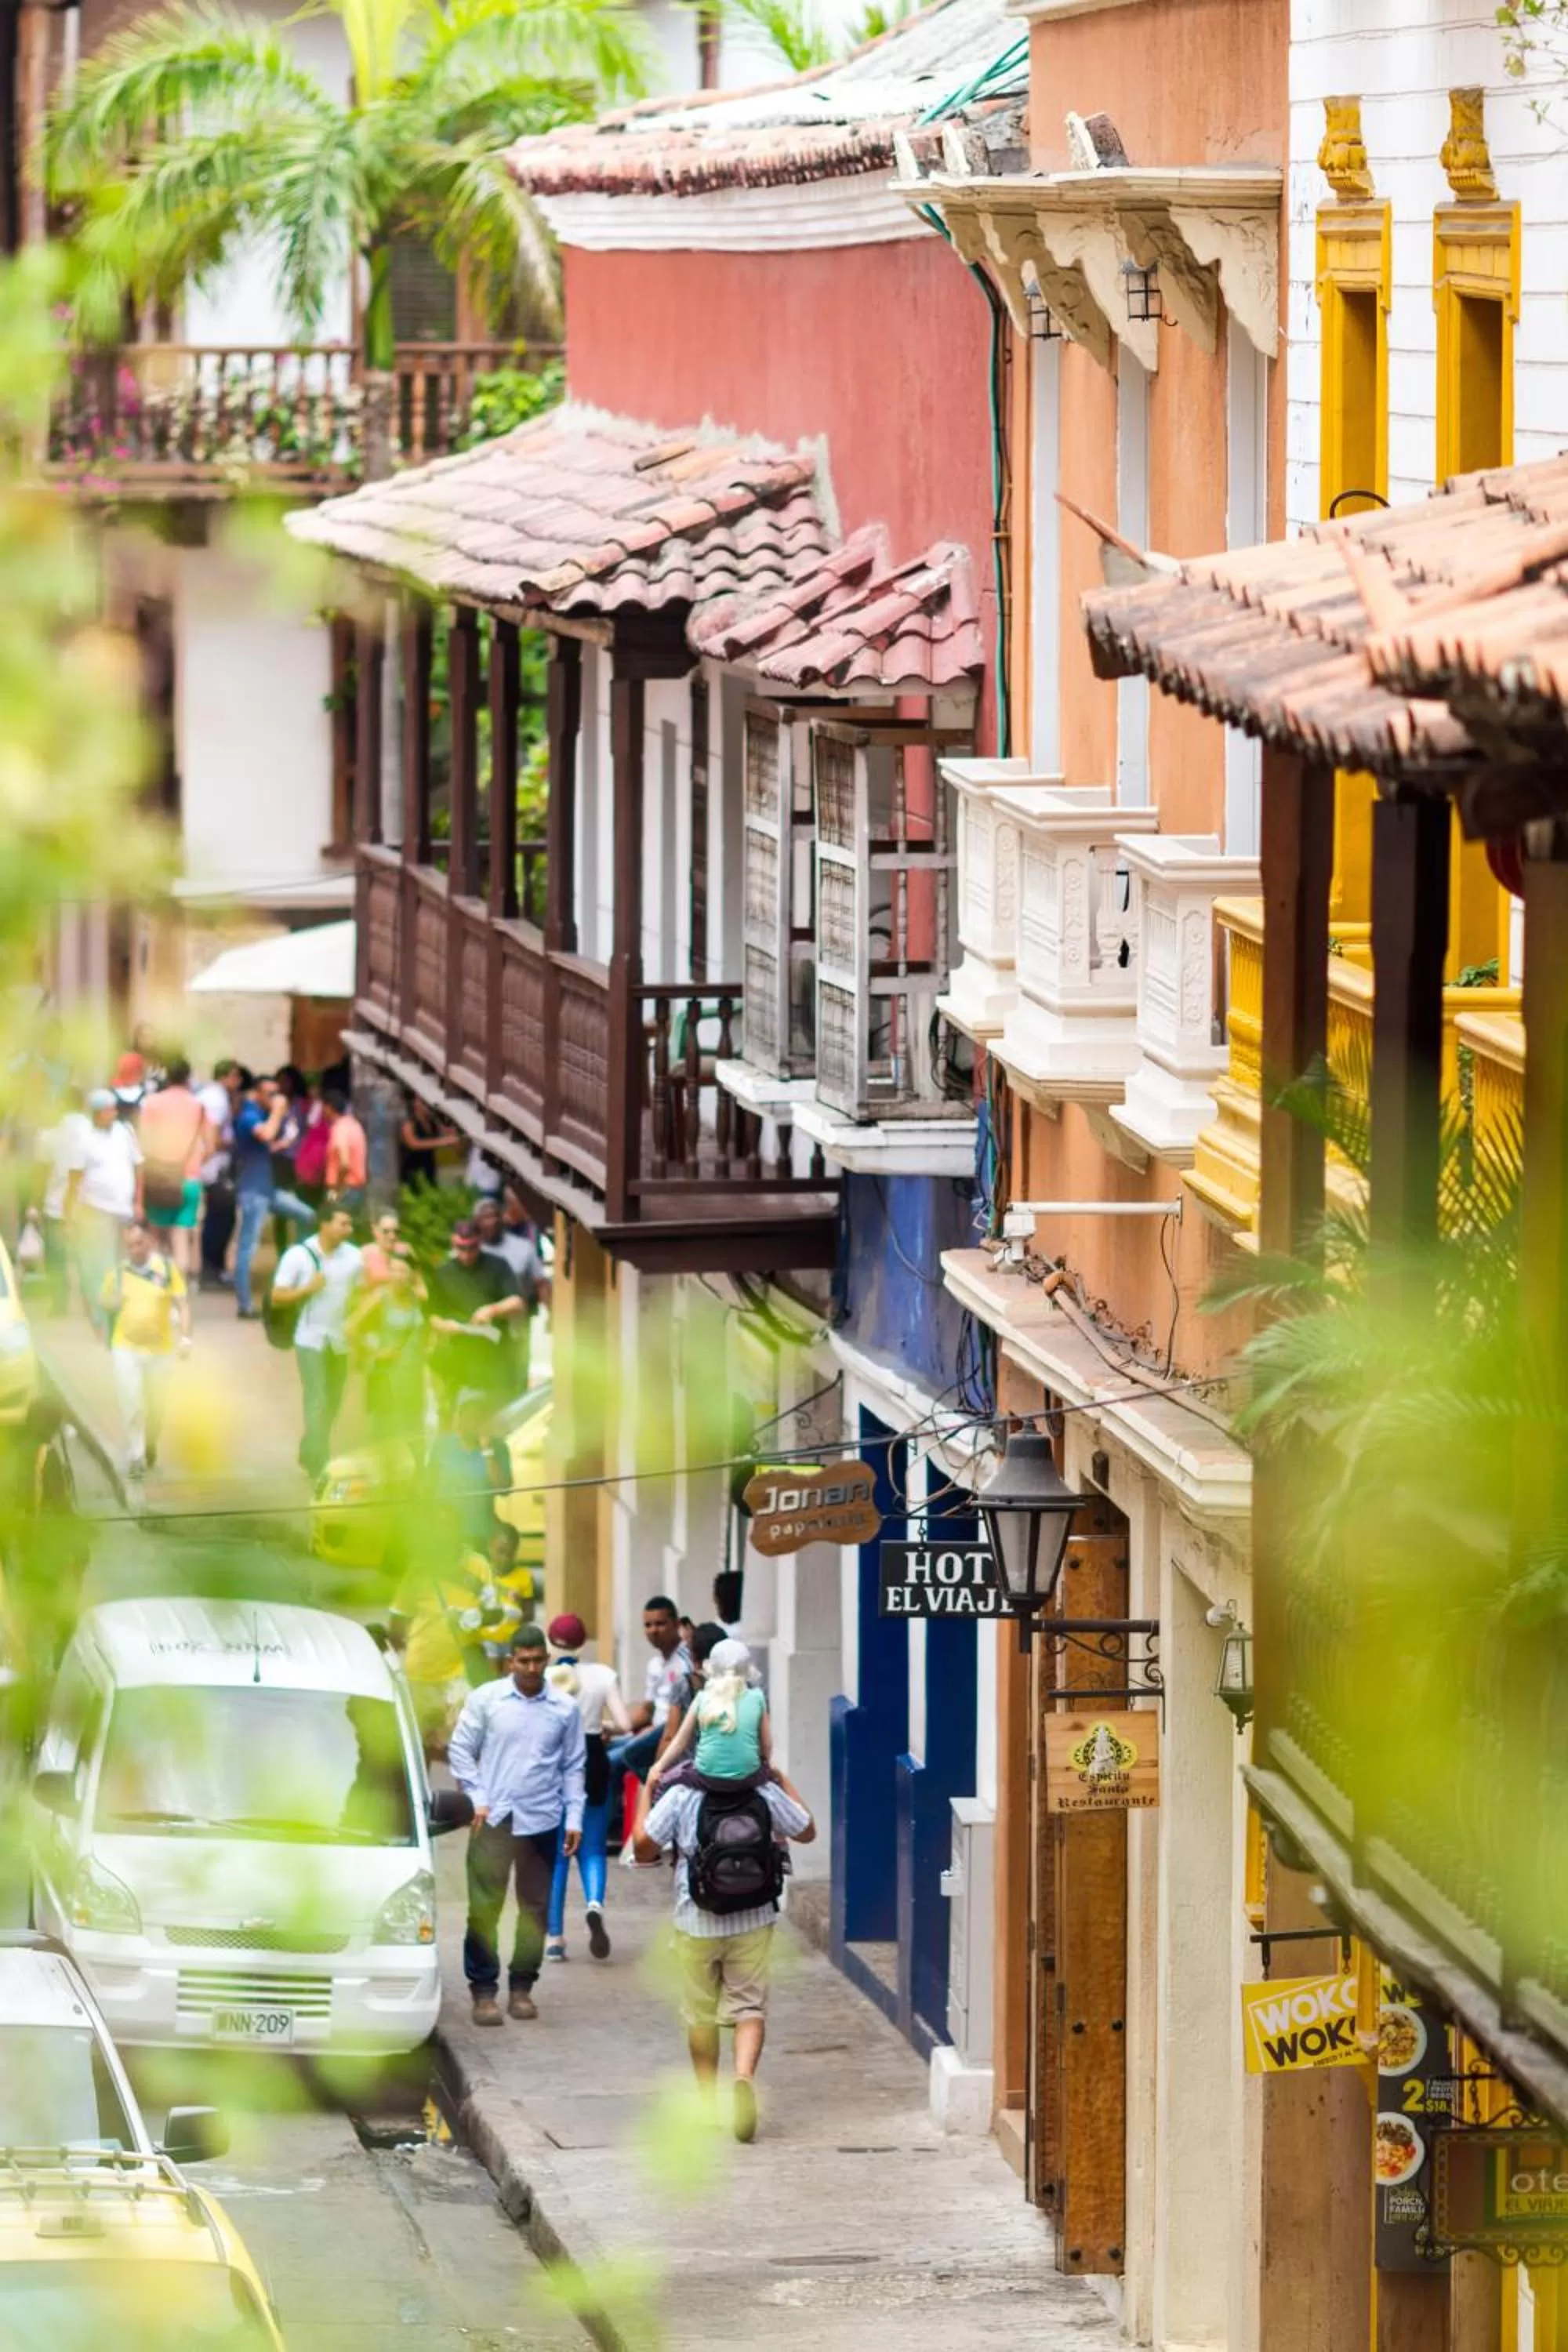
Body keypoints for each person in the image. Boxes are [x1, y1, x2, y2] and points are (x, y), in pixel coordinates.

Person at [634, 1742, 815, 2143]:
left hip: (695, 1920)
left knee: (700, 2012)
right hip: (753, 1917)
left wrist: (648, 1789)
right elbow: (806, 1829)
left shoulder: (683, 1792)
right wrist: (780, 1776)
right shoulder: (764, 1791)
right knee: (749, 2005)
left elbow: (643, 1847)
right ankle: (744, 2078)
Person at [448, 1624, 586, 2026]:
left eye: (537, 1660)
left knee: (535, 1911)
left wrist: (574, 1817)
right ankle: (484, 1993)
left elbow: (574, 1765)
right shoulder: (487, 1700)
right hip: (494, 1820)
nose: (530, 1667)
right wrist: (477, 1798)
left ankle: (522, 1988)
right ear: (511, 1661)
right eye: (522, 1660)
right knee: (484, 1909)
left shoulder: (564, 1708)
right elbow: (460, 1749)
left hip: (542, 1821)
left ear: (546, 1660)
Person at [543, 1612, 630, 1965]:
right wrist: (601, 1724)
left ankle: (554, 1938)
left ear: (550, 1644)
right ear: (584, 1643)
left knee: (557, 1856)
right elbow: (625, 1724)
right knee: (593, 1847)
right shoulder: (603, 1676)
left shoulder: (544, 1679)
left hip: (556, 1766)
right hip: (594, 1759)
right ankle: (594, 1903)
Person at [270, 1196, 361, 1477]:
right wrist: (307, 1289)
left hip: (339, 1340)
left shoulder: (354, 1256)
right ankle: (318, 1462)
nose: (349, 1229)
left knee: (333, 1402)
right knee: (318, 1399)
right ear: (324, 1225)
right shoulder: (299, 1255)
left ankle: (310, 1446)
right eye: (343, 1223)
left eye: (350, 1224)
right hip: (310, 1339)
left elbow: (362, 1291)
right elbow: (277, 1297)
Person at [100, 1218, 191, 1481]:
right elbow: (102, 1299)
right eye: (130, 1246)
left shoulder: (166, 1270)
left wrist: (185, 1339)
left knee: (156, 1406)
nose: (135, 1250)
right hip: (126, 1348)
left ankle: (150, 1442)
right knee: (132, 1402)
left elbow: (182, 1304)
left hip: (160, 1350)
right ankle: (136, 1455)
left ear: (150, 1242)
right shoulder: (117, 1273)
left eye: (139, 1243)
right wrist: (110, 1302)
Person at [232, 1075, 318, 1319]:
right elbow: (265, 1135)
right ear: (258, 1095)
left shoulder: (260, 1113)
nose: (275, 1098)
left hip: (267, 1188)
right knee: (248, 1247)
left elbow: (265, 1145)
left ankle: (298, 1268)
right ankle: (245, 1305)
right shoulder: (249, 1115)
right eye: (269, 1094)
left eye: (277, 1093)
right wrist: (279, 1112)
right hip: (253, 1191)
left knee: (308, 1215)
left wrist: (284, 1139)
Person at [426, 1219, 526, 1416]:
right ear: (453, 1243)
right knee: (460, 1418)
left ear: (479, 1242)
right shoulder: (444, 1273)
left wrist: (492, 1310)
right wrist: (444, 1326)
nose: (466, 1254)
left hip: (495, 1358)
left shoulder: (497, 1266)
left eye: (471, 1248)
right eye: (460, 1248)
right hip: (460, 1358)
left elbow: (517, 1302)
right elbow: (432, 1314)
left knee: (498, 1418)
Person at [647, 1636, 771, 1794]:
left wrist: (657, 1767)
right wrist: (764, 1765)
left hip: (707, 1778)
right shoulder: (758, 1697)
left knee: (664, 1787)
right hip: (749, 1778)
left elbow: (680, 1741)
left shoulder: (702, 1698)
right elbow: (766, 1745)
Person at [137, 1057, 212, 1281]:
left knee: (156, 1238)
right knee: (181, 1238)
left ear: (167, 1077)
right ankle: (179, 1294)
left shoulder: (152, 1103)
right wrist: (195, 1163)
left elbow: (143, 1145)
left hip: (160, 1178)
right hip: (189, 1178)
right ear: (188, 1078)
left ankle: (156, 1289)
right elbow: (210, 1146)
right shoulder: (198, 1106)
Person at [607, 1594, 693, 1788]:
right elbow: (647, 1710)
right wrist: (614, 1729)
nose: (653, 1631)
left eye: (660, 1624)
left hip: (672, 1733)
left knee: (617, 1759)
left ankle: (656, 1793)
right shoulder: (654, 1664)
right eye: (648, 1625)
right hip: (652, 1731)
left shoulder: (686, 1661)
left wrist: (654, 1731)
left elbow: (685, 1714)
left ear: (676, 1624)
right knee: (603, 1753)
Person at [75, 1088, 143, 1334]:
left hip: (123, 1210)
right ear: (97, 1113)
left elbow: (138, 1166)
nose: (114, 1113)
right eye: (109, 1109)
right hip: (96, 1209)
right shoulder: (85, 1138)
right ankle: (101, 1320)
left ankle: (124, 1316)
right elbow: (76, 1177)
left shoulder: (125, 1132)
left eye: (114, 1109)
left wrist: (139, 1202)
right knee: (101, 1266)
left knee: (125, 1265)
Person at [353, 1243, 427, 1446]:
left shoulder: (416, 1298)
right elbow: (351, 1328)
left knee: (413, 1425)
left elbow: (426, 1300)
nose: (398, 1275)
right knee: (386, 1429)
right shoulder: (380, 1296)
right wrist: (374, 1352)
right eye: (393, 1270)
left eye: (403, 1271)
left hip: (413, 1372)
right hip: (386, 1373)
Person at [474, 1195, 542, 1389]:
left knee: (517, 1376)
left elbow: (540, 1282)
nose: (492, 1221)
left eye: (495, 1215)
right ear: (477, 1222)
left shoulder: (523, 1248)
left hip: (517, 1326)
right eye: (486, 1217)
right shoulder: (470, 1250)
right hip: (483, 1329)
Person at [34, 1086, 89, 1316]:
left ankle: (59, 1303)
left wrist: (33, 1204)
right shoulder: (94, 1132)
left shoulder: (48, 1135)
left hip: (55, 1204)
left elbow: (40, 1174)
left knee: (56, 1258)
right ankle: (93, 1303)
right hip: (89, 1205)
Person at [428, 1388, 505, 1548]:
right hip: (445, 1534)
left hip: (480, 1536)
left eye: (479, 1417)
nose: (474, 1422)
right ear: (460, 1418)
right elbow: (429, 1486)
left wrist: (487, 1450)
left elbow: (502, 1488)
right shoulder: (442, 1445)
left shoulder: (498, 1447)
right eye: (470, 1416)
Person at [196, 1060, 241, 1291]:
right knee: (219, 1220)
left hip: (213, 1167)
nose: (238, 1082)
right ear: (225, 1076)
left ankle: (214, 1269)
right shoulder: (217, 1099)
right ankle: (211, 1270)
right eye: (235, 1077)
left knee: (220, 1218)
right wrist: (231, 1142)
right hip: (216, 1169)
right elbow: (212, 1137)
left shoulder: (211, 1095)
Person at [323, 1088, 368, 1224]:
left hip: (344, 1189)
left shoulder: (339, 1129)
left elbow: (344, 1163)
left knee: (335, 1231)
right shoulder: (355, 1125)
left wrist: (337, 1189)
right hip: (357, 1189)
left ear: (329, 1107)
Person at [398, 1092, 457, 1189]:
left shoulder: (433, 1123)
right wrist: (442, 1142)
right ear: (416, 1104)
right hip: (412, 1171)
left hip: (428, 1169)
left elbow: (450, 1138)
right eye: (423, 1103)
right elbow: (414, 1144)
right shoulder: (409, 1123)